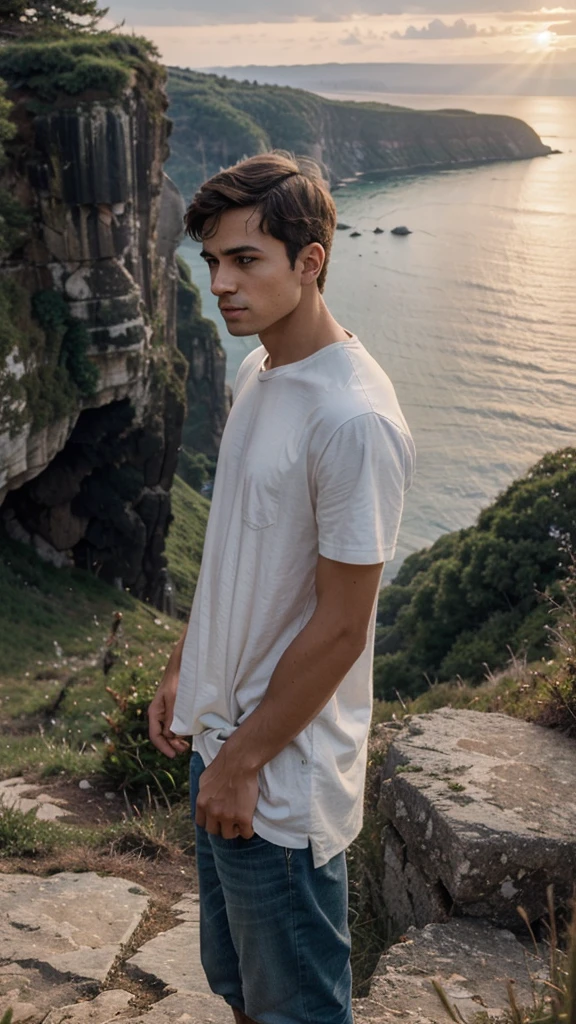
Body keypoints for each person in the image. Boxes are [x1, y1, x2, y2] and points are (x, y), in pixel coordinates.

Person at [148, 151, 416, 1024]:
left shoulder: (355, 419)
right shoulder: (259, 373)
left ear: (311, 261)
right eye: (213, 261)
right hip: (221, 745)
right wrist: (187, 664)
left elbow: (343, 627)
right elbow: (234, 549)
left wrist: (242, 761)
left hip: (279, 779)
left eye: (246, 260)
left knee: (296, 1006)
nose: (222, 282)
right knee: (235, 984)